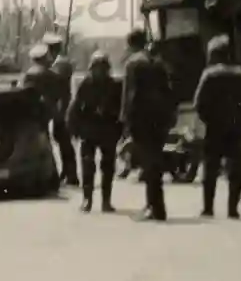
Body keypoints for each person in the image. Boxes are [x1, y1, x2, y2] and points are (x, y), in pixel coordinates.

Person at [192, 36, 241, 219]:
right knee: (236, 171)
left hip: (215, 129)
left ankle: (208, 208)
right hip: (237, 129)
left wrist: (208, 120)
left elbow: (198, 103)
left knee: (210, 169)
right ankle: (232, 209)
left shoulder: (209, 75)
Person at [119, 29, 174, 221]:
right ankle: (154, 204)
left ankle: (156, 208)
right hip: (160, 118)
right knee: (154, 160)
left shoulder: (133, 63)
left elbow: (129, 94)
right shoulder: (158, 62)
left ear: (131, 44)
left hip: (141, 118)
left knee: (149, 162)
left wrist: (125, 120)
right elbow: (169, 91)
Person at [67, 52, 124, 212]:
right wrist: (74, 129)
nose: (99, 71)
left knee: (107, 167)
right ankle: (87, 199)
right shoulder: (86, 85)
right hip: (89, 130)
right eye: (96, 68)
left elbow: (121, 109)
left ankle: (106, 201)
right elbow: (75, 107)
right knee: (87, 166)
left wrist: (120, 128)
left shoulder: (115, 86)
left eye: (102, 68)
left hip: (108, 130)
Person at [48, 50, 79, 187]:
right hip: (61, 108)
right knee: (61, 140)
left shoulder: (60, 63)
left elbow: (60, 89)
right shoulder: (60, 62)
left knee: (64, 142)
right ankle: (67, 171)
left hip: (63, 108)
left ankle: (71, 173)